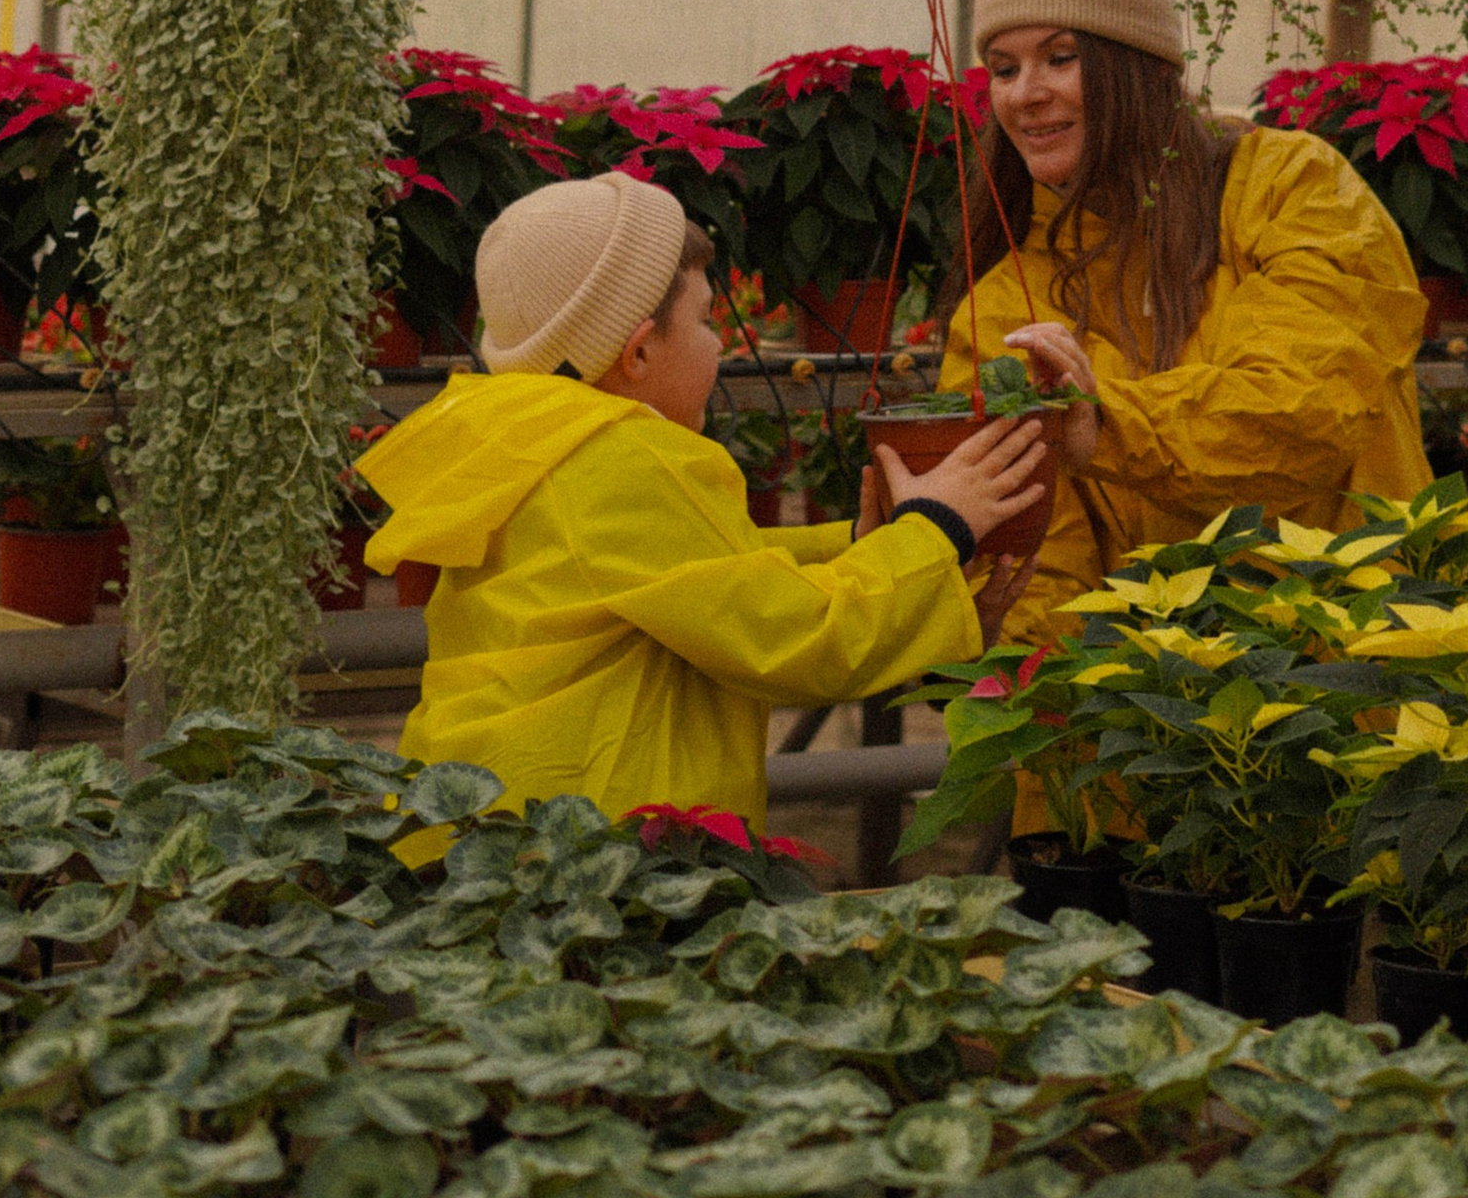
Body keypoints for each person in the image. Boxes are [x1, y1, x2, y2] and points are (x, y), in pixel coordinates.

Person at [358, 165, 1044, 827]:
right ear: (639, 354)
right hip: (587, 855)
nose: (722, 344)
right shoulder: (621, 457)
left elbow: (704, 572)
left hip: (495, 819)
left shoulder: (524, 438)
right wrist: (936, 527)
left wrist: (859, 547)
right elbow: (797, 637)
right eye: (707, 320)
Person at [935, 0, 1428, 637]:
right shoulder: (1007, 306)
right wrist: (1067, 720)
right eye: (1003, 69)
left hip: (1348, 679)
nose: (1026, 94)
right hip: (1150, 720)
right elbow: (1039, 574)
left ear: (1138, 67)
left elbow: (1305, 413)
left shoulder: (1294, 187)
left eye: (1060, 58)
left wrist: (1102, 425)